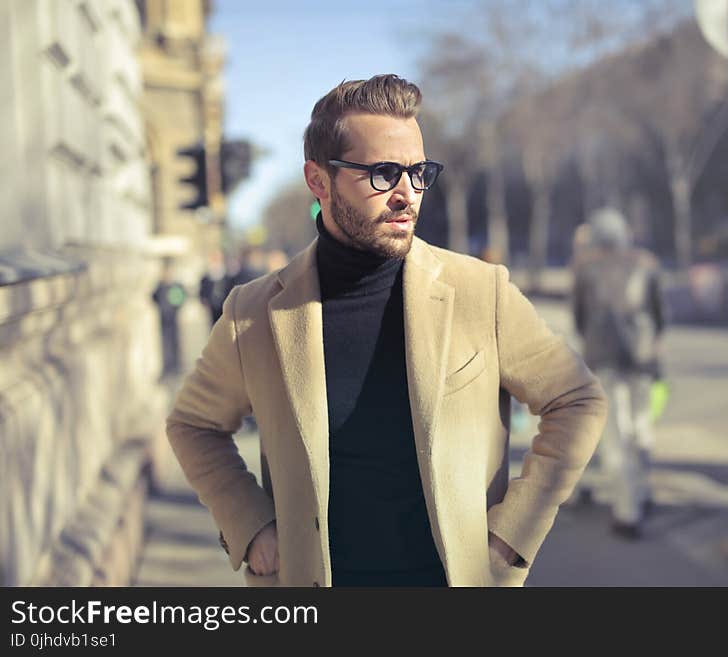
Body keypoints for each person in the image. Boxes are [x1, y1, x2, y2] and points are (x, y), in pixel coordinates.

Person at [166, 74, 608, 587]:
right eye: (383, 173)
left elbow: (576, 400)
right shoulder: (255, 312)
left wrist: (515, 531)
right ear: (318, 180)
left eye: (418, 172)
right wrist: (250, 526)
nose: (407, 194)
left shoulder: (479, 291)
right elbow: (193, 426)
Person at [571, 207, 666, 539]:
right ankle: (642, 492)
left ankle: (627, 512)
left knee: (616, 436)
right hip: (643, 360)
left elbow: (579, 317)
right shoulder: (647, 265)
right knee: (640, 428)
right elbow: (658, 315)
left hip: (604, 361)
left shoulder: (587, 269)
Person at [152, 262, 187, 379]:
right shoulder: (160, 285)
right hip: (163, 319)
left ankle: (177, 365)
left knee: (175, 341)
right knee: (165, 343)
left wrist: (177, 307)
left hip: (173, 318)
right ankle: (168, 366)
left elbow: (183, 297)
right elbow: (153, 297)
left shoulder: (176, 285)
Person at [198, 251, 230, 326]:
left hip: (224, 304)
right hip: (212, 305)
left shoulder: (226, 274)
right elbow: (203, 290)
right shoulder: (206, 276)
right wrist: (204, 299)